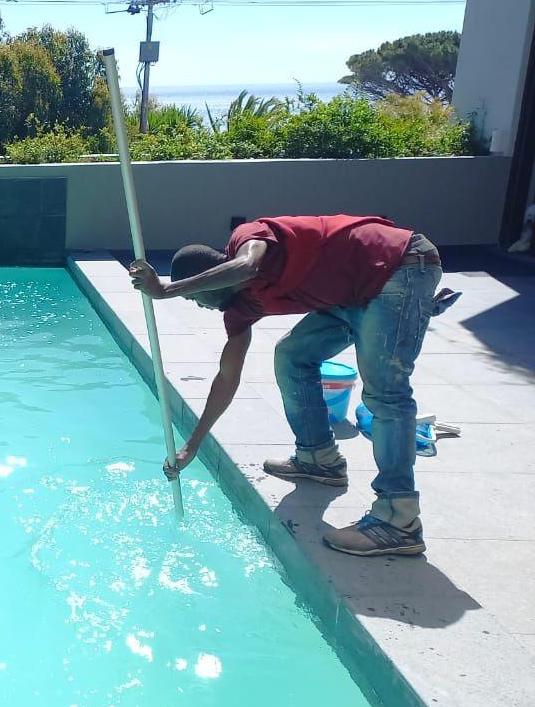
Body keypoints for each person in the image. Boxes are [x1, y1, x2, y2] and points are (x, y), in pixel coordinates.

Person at [129, 215, 444, 557]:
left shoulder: (248, 238)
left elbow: (248, 265)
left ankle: (399, 519)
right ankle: (319, 457)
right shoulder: (241, 309)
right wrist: (192, 445)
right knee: (292, 355)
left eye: (194, 297)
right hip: (350, 294)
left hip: (399, 266)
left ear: (206, 281)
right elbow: (227, 376)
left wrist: (166, 290)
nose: (197, 305)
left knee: (386, 394)